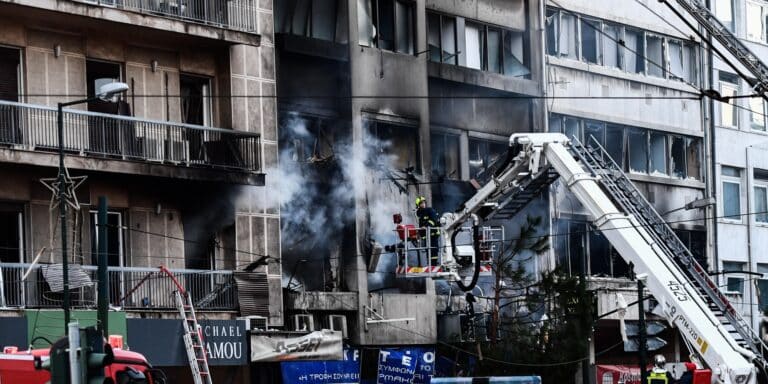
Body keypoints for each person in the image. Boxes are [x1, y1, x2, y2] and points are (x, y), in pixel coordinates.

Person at [415, 196, 440, 266]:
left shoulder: (430, 210)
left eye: (424, 202)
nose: (423, 204)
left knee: (433, 250)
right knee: (428, 251)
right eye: (421, 203)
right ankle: (429, 265)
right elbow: (421, 225)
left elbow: (433, 220)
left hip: (433, 235)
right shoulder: (420, 215)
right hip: (426, 237)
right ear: (418, 205)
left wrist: (426, 226)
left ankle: (434, 265)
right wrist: (419, 233)